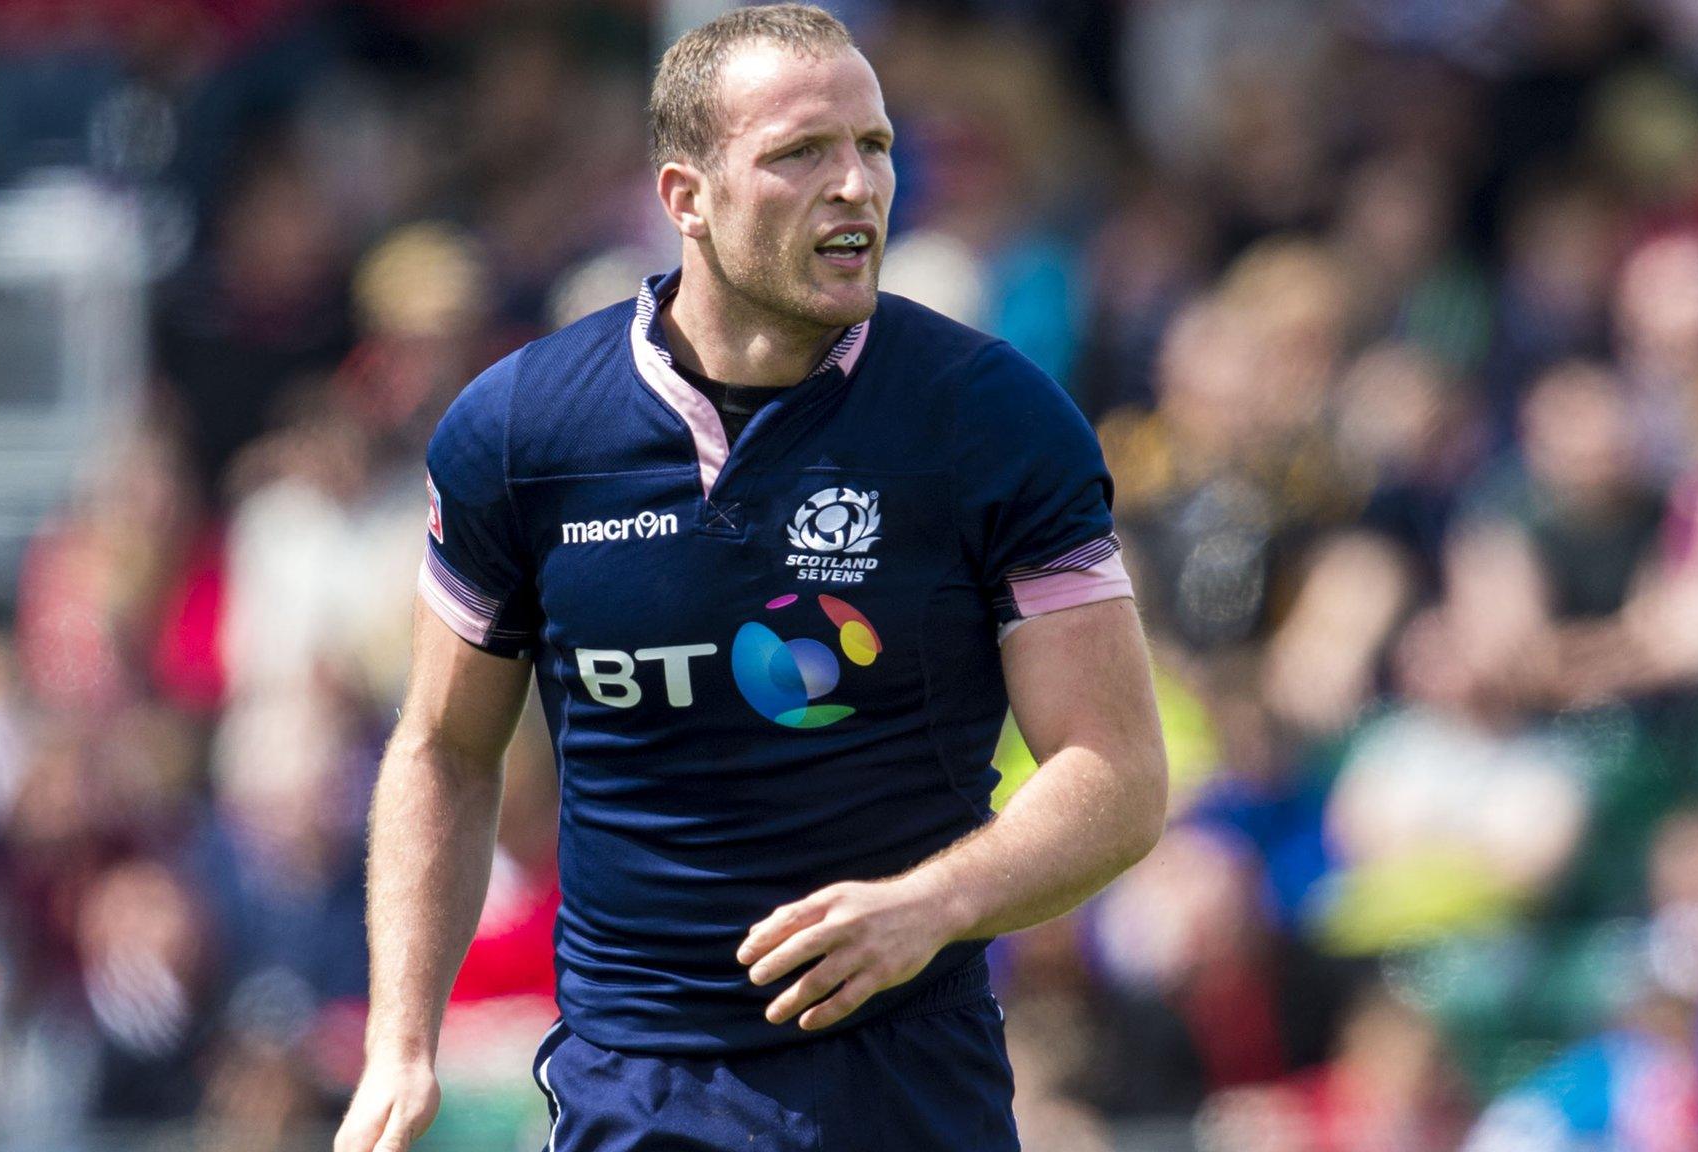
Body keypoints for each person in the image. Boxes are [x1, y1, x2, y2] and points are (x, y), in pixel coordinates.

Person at [334, 6, 1169, 1150]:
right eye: (799, 154)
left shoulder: (994, 420)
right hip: (637, 1087)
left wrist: (928, 905)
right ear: (685, 197)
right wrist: (400, 1044)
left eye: (873, 147)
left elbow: (1114, 772)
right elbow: (441, 748)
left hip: (907, 1086)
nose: (855, 186)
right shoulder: (521, 434)